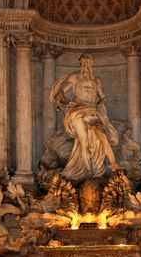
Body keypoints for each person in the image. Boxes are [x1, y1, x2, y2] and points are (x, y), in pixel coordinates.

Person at [49, 54, 120, 182]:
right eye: (83, 63)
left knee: (102, 137)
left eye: (88, 62)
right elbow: (62, 91)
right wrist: (58, 101)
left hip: (93, 110)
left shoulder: (96, 80)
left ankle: (113, 164)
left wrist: (101, 106)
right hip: (77, 109)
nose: (85, 65)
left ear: (92, 64)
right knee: (84, 141)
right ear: (80, 64)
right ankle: (88, 170)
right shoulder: (75, 76)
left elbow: (103, 97)